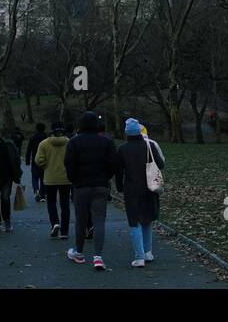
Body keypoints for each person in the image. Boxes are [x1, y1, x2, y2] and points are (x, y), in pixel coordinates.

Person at [63, 110, 119, 271]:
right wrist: (105, 178)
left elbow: (69, 164)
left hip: (81, 186)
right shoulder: (106, 142)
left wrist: (74, 180)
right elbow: (113, 164)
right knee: (99, 220)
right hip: (100, 185)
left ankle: (79, 253)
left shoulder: (74, 142)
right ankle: (98, 256)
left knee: (81, 220)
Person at [116, 118, 164, 267]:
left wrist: (119, 187)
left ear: (127, 133)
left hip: (131, 189)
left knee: (134, 222)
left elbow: (118, 171)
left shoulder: (123, 149)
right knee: (147, 220)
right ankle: (148, 252)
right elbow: (161, 164)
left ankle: (139, 256)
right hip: (150, 188)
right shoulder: (149, 146)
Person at [35, 121, 71, 239]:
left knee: (51, 202)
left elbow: (39, 160)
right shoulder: (69, 142)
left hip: (50, 178)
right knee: (65, 203)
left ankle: (55, 223)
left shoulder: (44, 144)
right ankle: (65, 231)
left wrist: (47, 166)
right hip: (66, 178)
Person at [25, 122, 48, 202]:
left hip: (35, 159)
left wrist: (27, 160)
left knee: (35, 177)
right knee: (43, 178)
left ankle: (36, 190)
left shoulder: (33, 138)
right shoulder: (47, 138)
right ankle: (43, 194)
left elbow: (28, 150)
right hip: (45, 160)